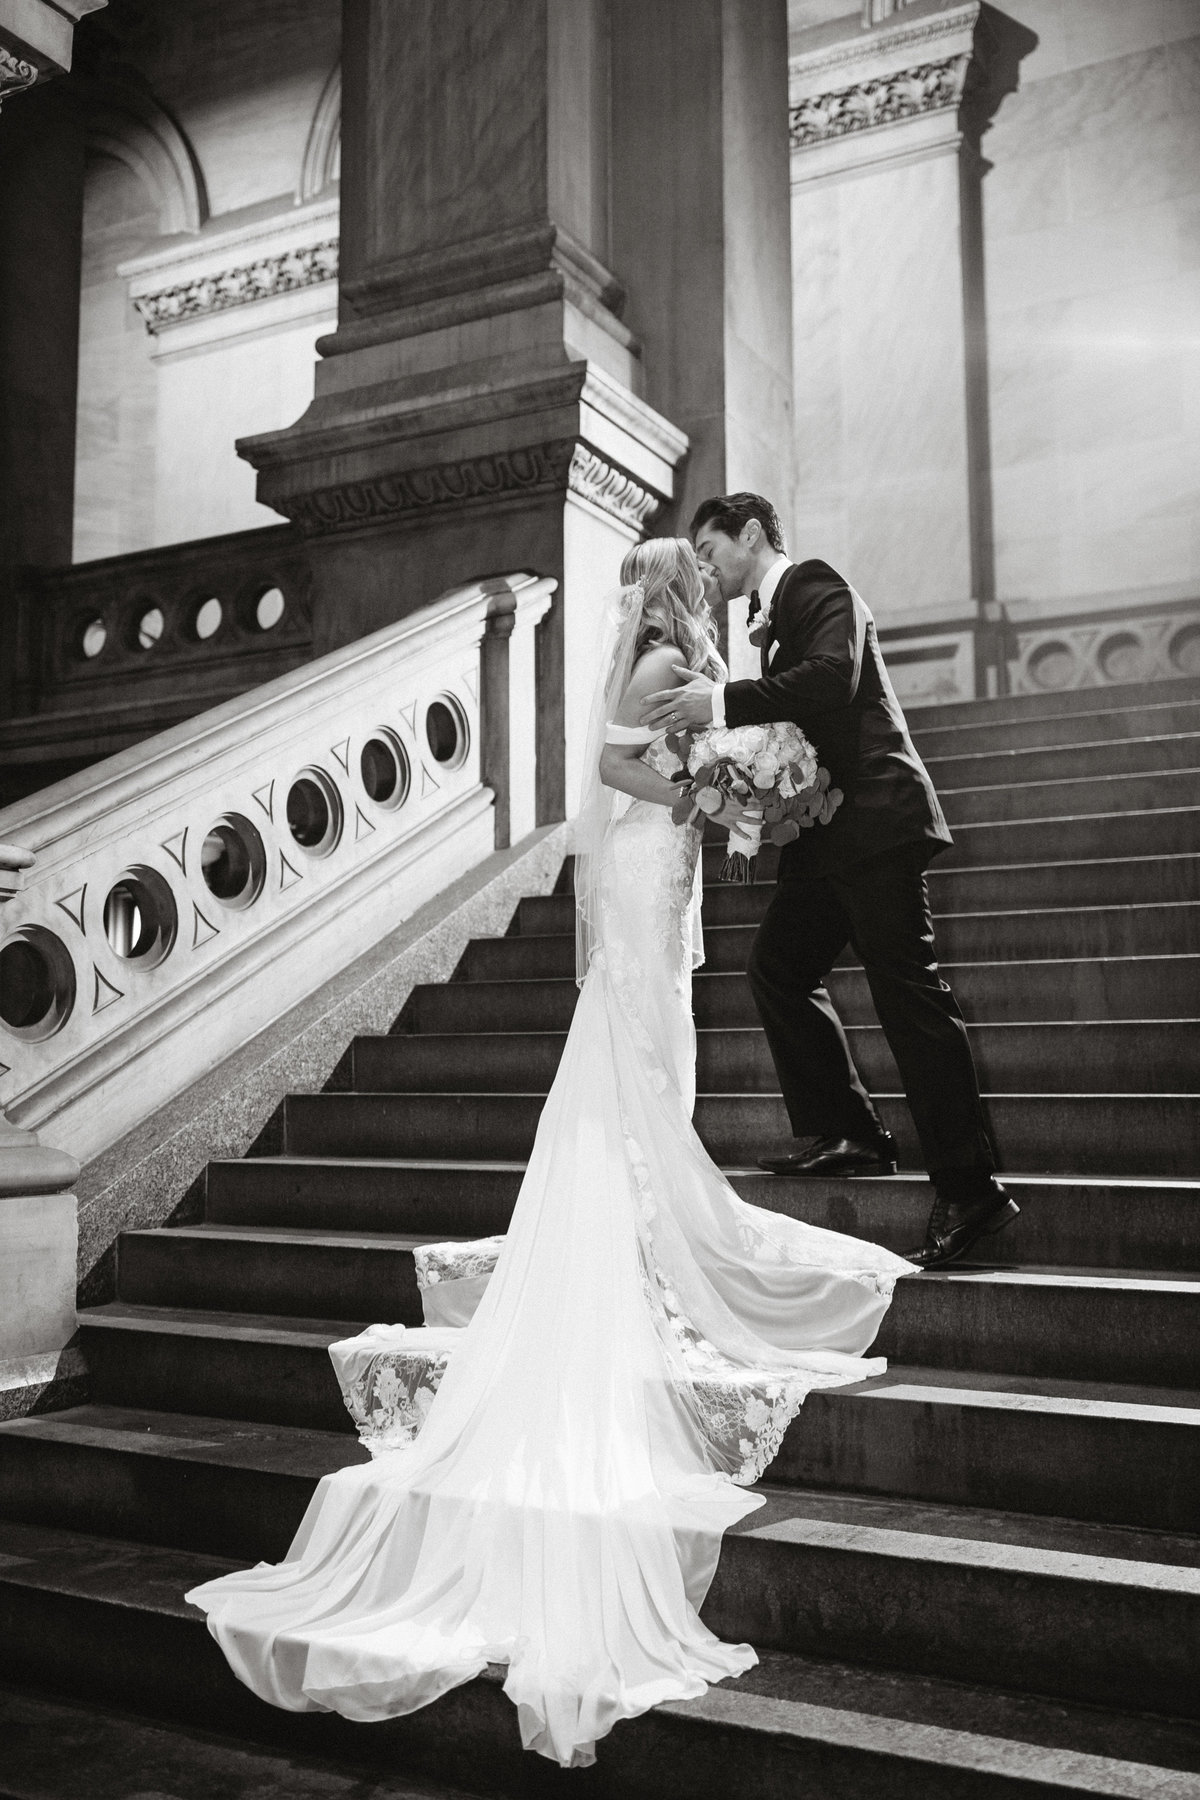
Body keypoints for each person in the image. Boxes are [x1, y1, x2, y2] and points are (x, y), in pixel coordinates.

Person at [185, 538, 911, 1770]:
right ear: (683, 587)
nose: (688, 599)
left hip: (664, 870)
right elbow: (617, 764)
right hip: (643, 868)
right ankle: (636, 1216)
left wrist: (722, 789)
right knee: (642, 1048)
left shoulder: (684, 654)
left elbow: (674, 760)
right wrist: (701, 785)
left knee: (661, 1052)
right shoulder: (661, 661)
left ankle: (644, 1199)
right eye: (686, 583)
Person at [641, 493, 1017, 1271]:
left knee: (909, 997)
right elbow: (797, 728)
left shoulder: (816, 585)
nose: (705, 567)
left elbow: (831, 681)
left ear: (751, 535)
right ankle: (849, 1131)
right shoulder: (772, 619)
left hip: (876, 824)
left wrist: (716, 699)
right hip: (829, 834)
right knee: (778, 965)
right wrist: (751, 812)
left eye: (711, 549)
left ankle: (972, 1189)